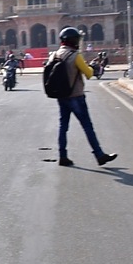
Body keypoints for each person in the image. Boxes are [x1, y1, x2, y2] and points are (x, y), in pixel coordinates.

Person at [50, 27, 117, 167]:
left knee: (63, 126)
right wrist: (90, 67)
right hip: (76, 96)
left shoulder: (54, 55)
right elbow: (89, 74)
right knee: (87, 126)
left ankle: (62, 156)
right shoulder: (75, 55)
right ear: (73, 40)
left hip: (61, 96)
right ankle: (99, 155)